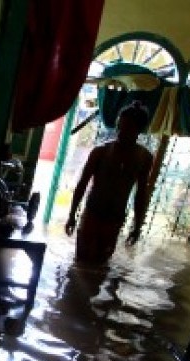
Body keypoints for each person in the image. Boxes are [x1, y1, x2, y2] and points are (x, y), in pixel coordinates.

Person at [65, 101, 153, 265]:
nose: (120, 132)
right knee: (80, 263)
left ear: (139, 131)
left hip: (115, 218)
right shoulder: (100, 152)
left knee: (101, 264)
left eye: (127, 128)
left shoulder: (144, 158)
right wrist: (72, 215)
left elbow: (141, 194)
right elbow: (82, 184)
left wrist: (137, 226)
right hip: (92, 213)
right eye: (119, 127)